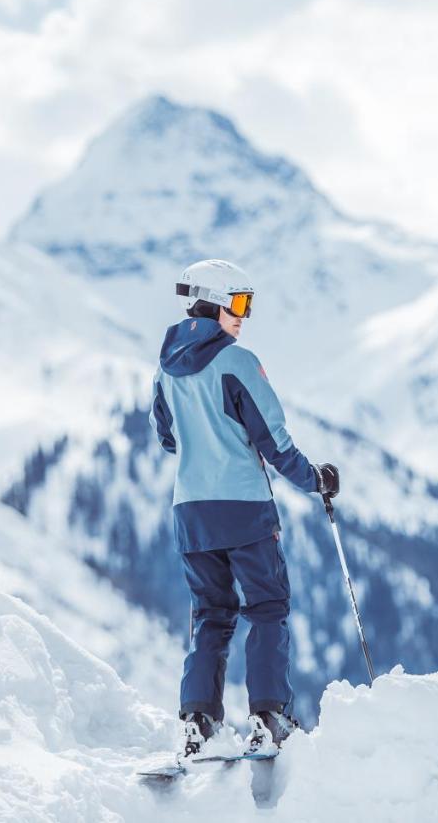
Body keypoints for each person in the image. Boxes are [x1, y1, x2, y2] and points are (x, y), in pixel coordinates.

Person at [150, 258, 340, 758]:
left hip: (190, 510)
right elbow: (274, 443)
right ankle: (269, 717)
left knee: (210, 613)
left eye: (248, 304)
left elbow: (167, 437)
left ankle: (198, 722)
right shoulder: (237, 362)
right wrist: (316, 481)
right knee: (268, 607)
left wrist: (203, 436)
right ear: (212, 302)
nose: (244, 315)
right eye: (238, 303)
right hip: (243, 508)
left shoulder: (167, 365)